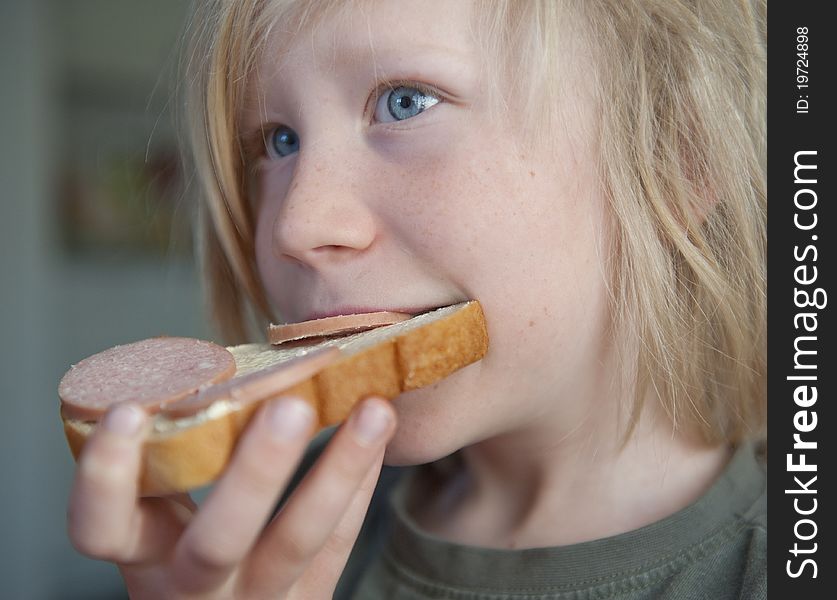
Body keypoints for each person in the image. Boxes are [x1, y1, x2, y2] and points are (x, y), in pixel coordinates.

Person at [66, 0, 767, 598]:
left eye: (406, 101)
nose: (294, 226)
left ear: (676, 158)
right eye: (278, 141)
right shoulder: (290, 521)